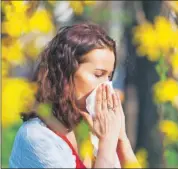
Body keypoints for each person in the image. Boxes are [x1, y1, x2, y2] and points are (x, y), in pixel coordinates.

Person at [9, 23, 140, 168]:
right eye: (98, 75)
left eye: (109, 77)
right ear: (65, 74)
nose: (107, 87)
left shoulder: (95, 133)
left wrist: (121, 139)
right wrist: (108, 141)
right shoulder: (37, 137)